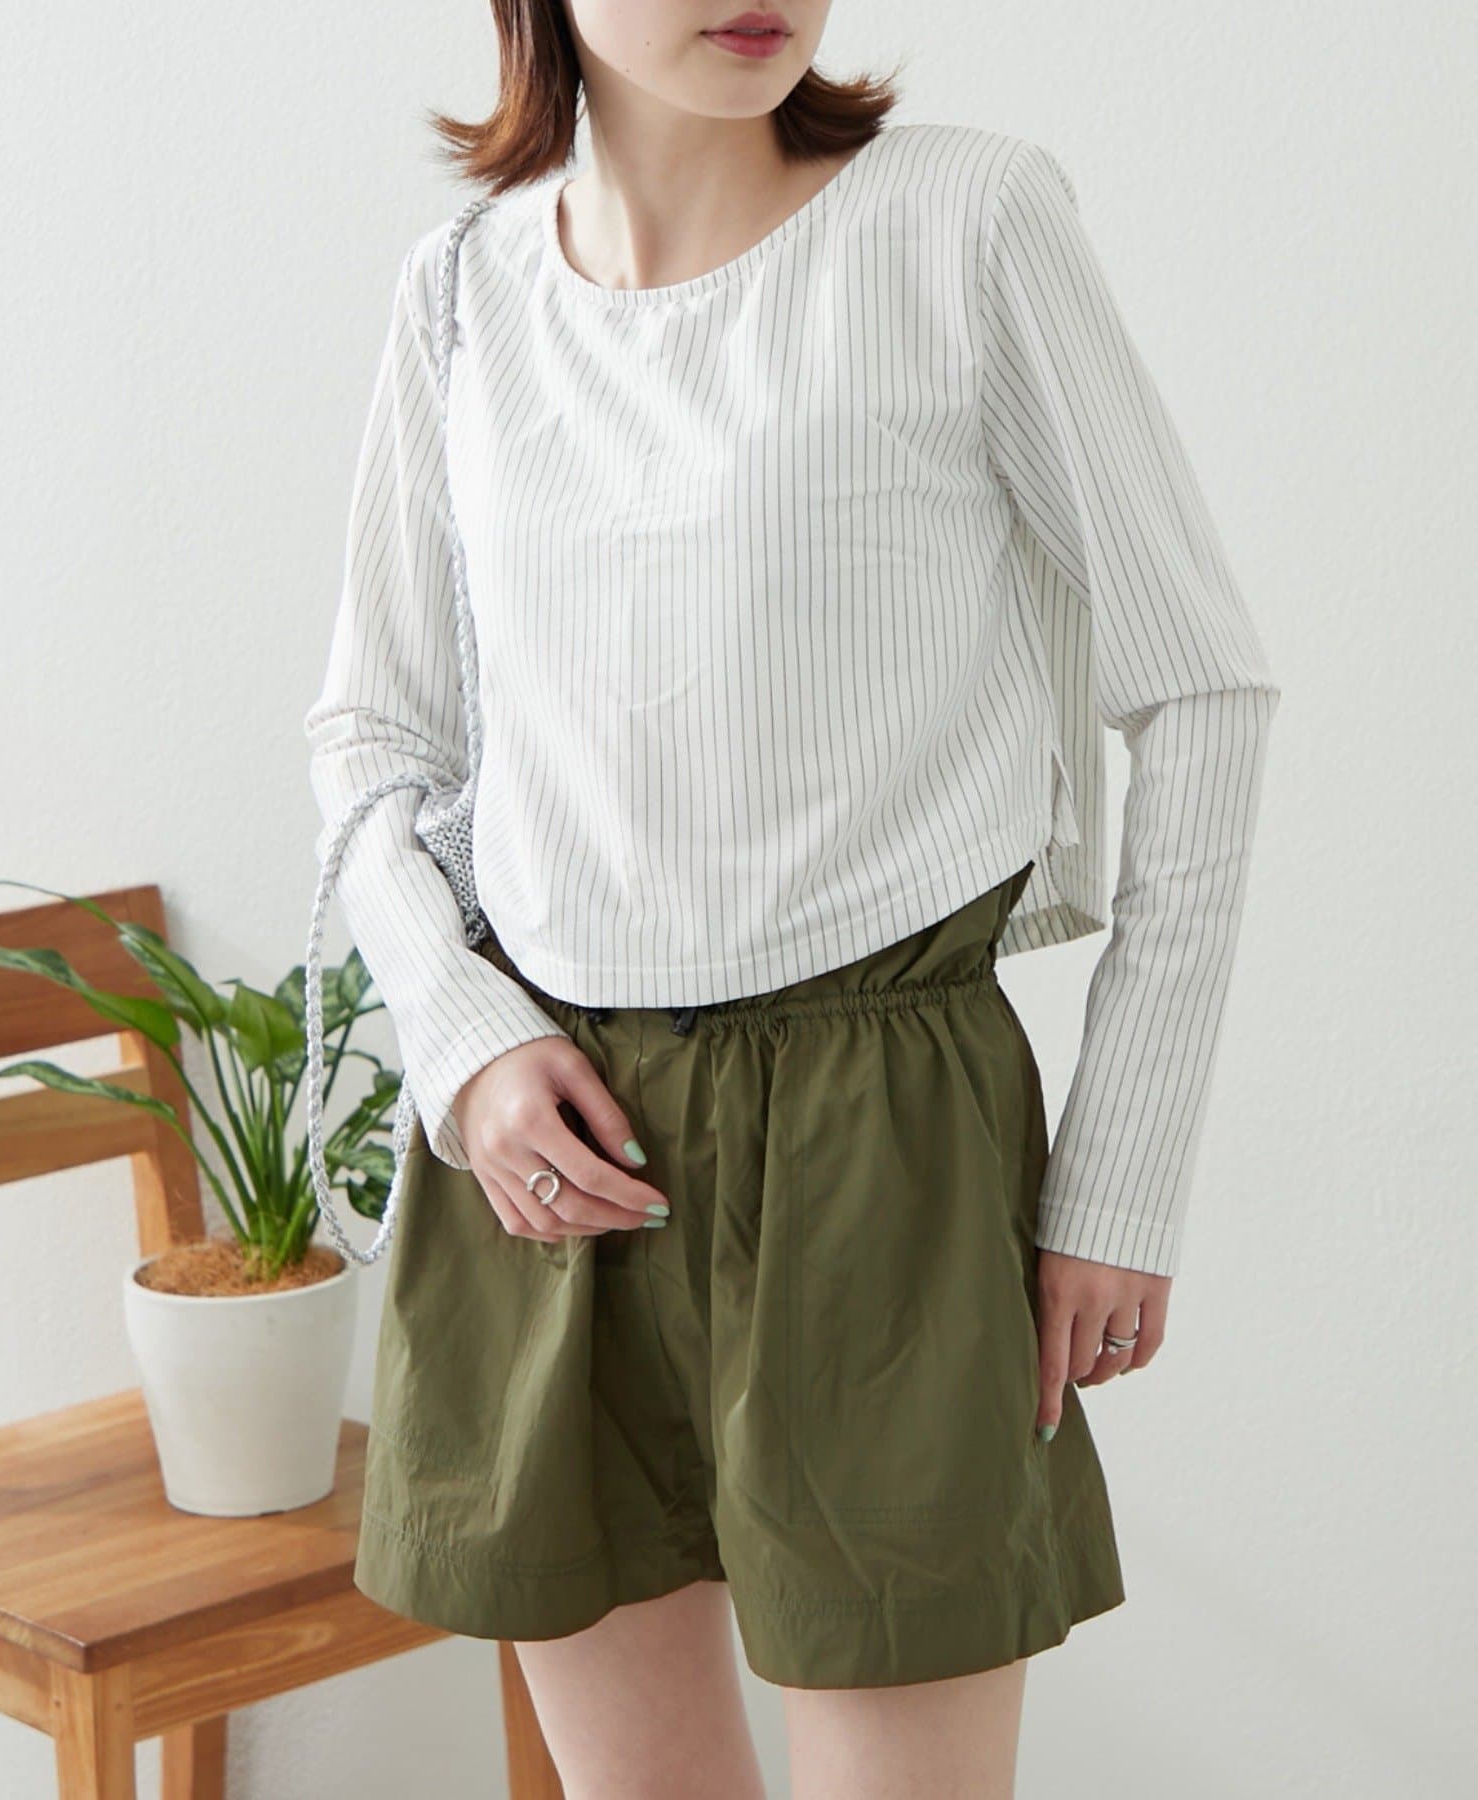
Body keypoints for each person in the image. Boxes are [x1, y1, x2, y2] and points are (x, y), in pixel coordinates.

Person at [303, 3, 1280, 1794]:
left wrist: (1122, 1172)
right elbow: (377, 736)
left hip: (882, 1146)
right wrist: (462, 1044)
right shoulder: (459, 293)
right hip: (551, 1161)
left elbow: (1201, 689)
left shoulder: (964, 222)